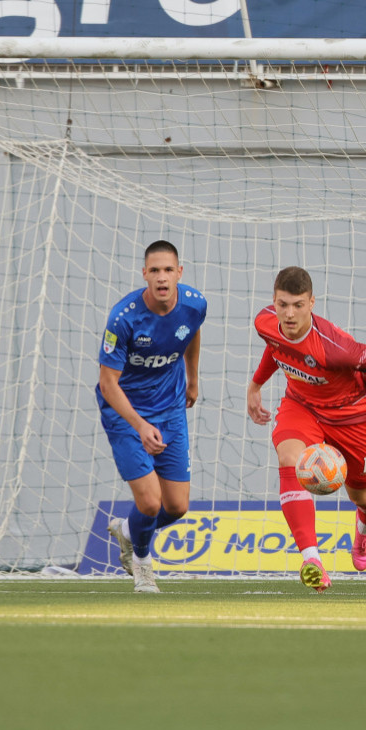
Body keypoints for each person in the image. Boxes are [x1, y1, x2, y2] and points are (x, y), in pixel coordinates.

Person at [246, 266, 366, 592]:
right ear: (273, 302)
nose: (289, 314)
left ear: (312, 303)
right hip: (302, 407)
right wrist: (255, 386)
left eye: (298, 305)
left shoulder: (336, 349)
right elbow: (277, 348)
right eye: (282, 304)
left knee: (361, 492)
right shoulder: (265, 322)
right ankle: (311, 559)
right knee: (290, 458)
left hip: (351, 419)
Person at [100, 240, 206, 594]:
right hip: (126, 412)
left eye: (168, 270)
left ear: (180, 273)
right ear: (144, 274)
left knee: (177, 507)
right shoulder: (123, 318)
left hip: (171, 408)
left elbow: (191, 335)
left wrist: (192, 379)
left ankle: (129, 530)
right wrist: (140, 425)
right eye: (155, 271)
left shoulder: (194, 305)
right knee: (149, 502)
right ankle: (143, 564)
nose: (162, 278)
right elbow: (108, 383)